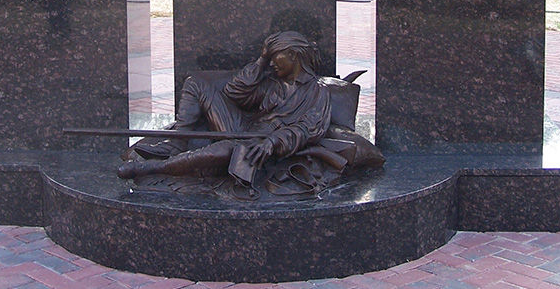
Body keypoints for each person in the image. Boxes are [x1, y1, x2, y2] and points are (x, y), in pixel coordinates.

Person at [118, 32, 381, 194]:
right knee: (195, 82)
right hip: (241, 127)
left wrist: (273, 141)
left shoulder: (317, 92)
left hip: (259, 142)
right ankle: (176, 144)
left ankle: (150, 168)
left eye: (276, 57)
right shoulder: (272, 83)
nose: (273, 64)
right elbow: (234, 92)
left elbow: (308, 129)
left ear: (293, 55)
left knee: (227, 150)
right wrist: (262, 61)